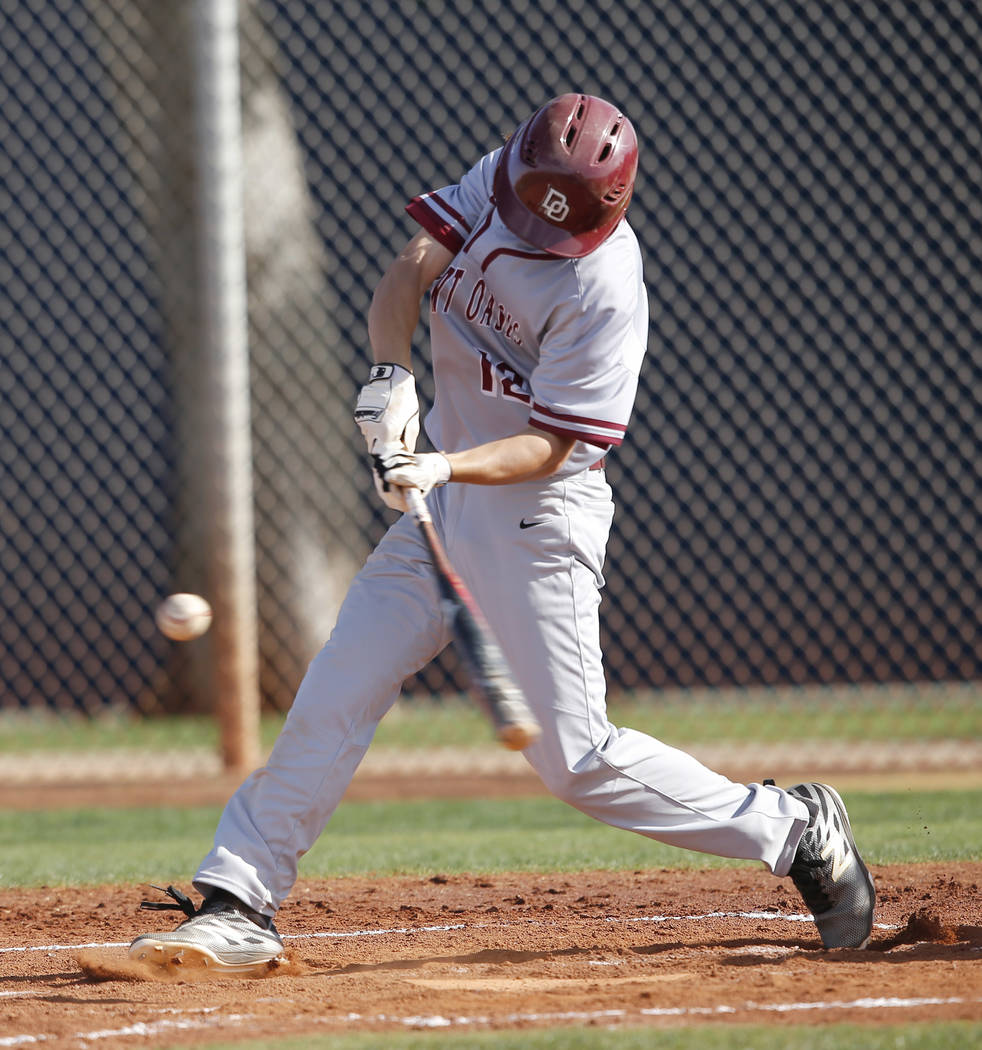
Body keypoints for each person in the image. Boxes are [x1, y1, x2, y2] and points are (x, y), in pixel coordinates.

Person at [129, 94, 875, 974]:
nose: (529, 225)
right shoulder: (505, 175)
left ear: (608, 212)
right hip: (438, 501)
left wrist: (443, 467)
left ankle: (794, 827)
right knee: (340, 687)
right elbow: (412, 266)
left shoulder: (607, 294)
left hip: (537, 521)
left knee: (576, 762)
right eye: (526, 202)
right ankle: (240, 901)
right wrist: (388, 377)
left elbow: (555, 444)